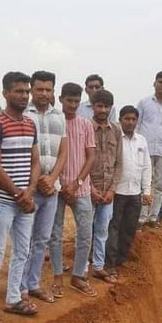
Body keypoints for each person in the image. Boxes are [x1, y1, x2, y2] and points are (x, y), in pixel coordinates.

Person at [0, 72, 41, 323]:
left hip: (24, 201)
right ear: (5, 93)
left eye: (26, 91)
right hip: (4, 201)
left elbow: (35, 161)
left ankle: (14, 298)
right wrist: (19, 194)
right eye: (18, 91)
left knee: (22, 252)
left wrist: (31, 191)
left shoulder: (30, 124)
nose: (24, 96)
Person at [19, 70, 68, 304]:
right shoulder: (24, 115)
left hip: (51, 188)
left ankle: (33, 283)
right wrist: (36, 181)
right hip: (29, 188)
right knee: (24, 239)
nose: (44, 93)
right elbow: (22, 153)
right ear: (32, 89)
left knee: (42, 238)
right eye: (39, 89)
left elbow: (63, 153)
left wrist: (51, 179)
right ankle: (19, 288)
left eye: (48, 89)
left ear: (53, 91)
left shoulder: (59, 116)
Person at [49, 83, 97, 296]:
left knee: (86, 233)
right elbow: (50, 155)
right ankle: (58, 276)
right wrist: (60, 184)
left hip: (81, 187)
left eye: (77, 101)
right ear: (61, 99)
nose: (73, 105)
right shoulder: (54, 123)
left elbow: (91, 157)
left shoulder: (85, 124)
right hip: (57, 189)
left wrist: (77, 182)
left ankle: (78, 276)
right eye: (69, 100)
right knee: (55, 234)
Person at [105, 106, 152, 276]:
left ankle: (121, 260)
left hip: (135, 193)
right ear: (120, 119)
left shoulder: (142, 141)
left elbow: (147, 166)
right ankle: (109, 263)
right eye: (127, 119)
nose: (130, 122)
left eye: (133, 119)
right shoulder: (115, 138)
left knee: (129, 227)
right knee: (113, 227)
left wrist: (146, 190)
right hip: (117, 192)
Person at [87, 89, 123, 283]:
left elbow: (119, 162)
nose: (103, 110)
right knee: (85, 230)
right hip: (88, 189)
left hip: (108, 191)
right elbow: (80, 161)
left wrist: (111, 190)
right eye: (99, 106)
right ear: (93, 106)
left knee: (102, 230)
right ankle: (82, 268)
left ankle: (98, 266)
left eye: (106, 106)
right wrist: (90, 188)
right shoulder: (86, 128)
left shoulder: (116, 130)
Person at [135, 71, 162, 229]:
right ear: (154, 83)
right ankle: (141, 217)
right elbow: (137, 125)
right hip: (144, 150)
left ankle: (153, 217)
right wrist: (136, 147)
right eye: (160, 82)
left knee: (160, 185)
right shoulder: (144, 103)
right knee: (144, 184)